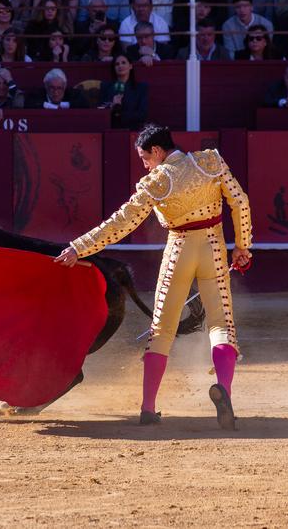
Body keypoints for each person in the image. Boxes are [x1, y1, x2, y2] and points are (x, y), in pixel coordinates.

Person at [55, 124, 251, 429]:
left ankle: (148, 408)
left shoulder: (157, 182)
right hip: (213, 246)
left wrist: (79, 248)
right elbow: (240, 202)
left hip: (179, 251)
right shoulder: (210, 161)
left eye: (146, 158)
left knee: (162, 330)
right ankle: (224, 389)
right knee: (221, 325)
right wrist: (242, 247)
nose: (145, 165)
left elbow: (120, 223)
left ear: (157, 151)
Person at [99, 54, 148, 130]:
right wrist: (111, 107)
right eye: (117, 64)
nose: (120, 66)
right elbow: (100, 110)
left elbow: (142, 114)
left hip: (133, 129)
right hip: (111, 129)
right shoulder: (105, 87)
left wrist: (121, 115)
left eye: (123, 63)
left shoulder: (141, 87)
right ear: (114, 68)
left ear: (130, 66)